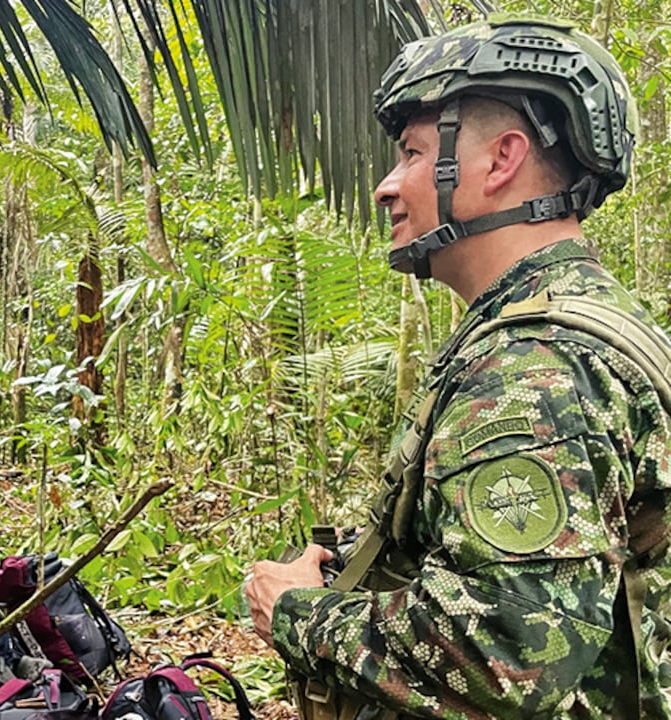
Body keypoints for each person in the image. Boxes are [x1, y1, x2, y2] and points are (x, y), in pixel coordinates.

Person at [245, 17, 671, 719]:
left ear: (502, 160)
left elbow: (509, 654)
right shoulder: (583, 325)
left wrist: (297, 612)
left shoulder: (532, 368)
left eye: (411, 153)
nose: (386, 186)